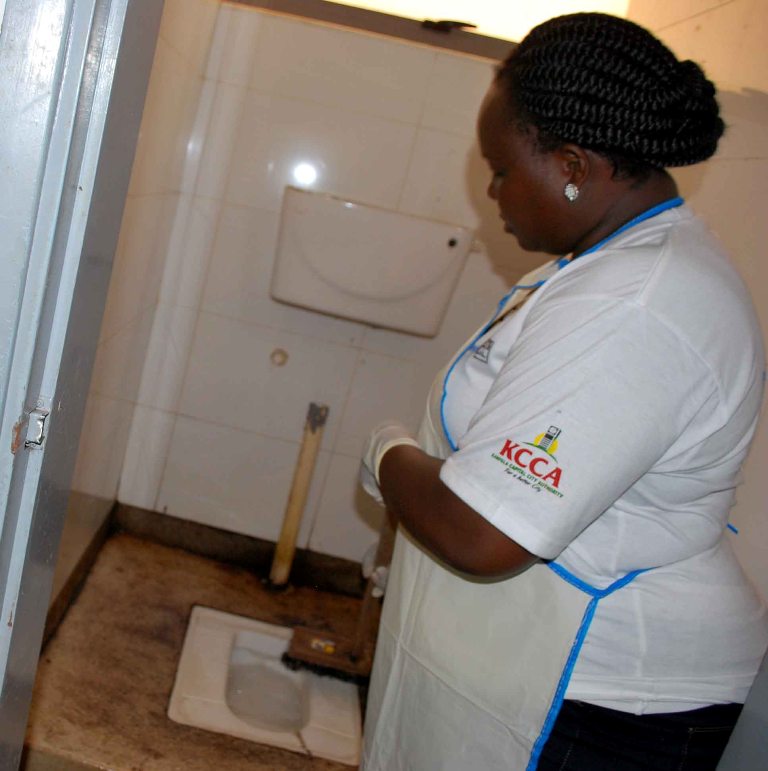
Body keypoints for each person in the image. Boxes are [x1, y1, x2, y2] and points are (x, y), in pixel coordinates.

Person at [358, 12, 768, 771]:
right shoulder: (616, 264)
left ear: (574, 163)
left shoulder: (638, 300)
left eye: (503, 167)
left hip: (611, 701)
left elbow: (480, 534)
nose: (492, 190)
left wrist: (384, 450)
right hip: (573, 669)